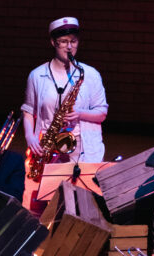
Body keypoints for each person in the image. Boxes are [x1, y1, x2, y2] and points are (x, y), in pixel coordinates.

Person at [22, 16, 108, 166]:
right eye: (63, 42)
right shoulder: (37, 75)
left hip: (82, 145)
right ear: (53, 42)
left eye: (73, 41)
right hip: (47, 145)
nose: (69, 47)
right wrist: (30, 136)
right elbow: (28, 110)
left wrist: (80, 113)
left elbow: (101, 113)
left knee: (80, 189)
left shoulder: (90, 74)